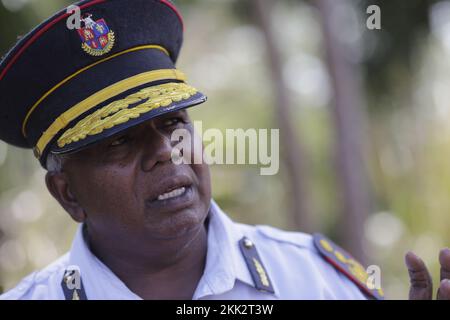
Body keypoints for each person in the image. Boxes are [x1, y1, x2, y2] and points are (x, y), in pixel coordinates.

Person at [0, 0, 395, 300]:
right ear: (67, 193)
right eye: (118, 140)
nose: (165, 151)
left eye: (172, 122)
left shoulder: (312, 279)